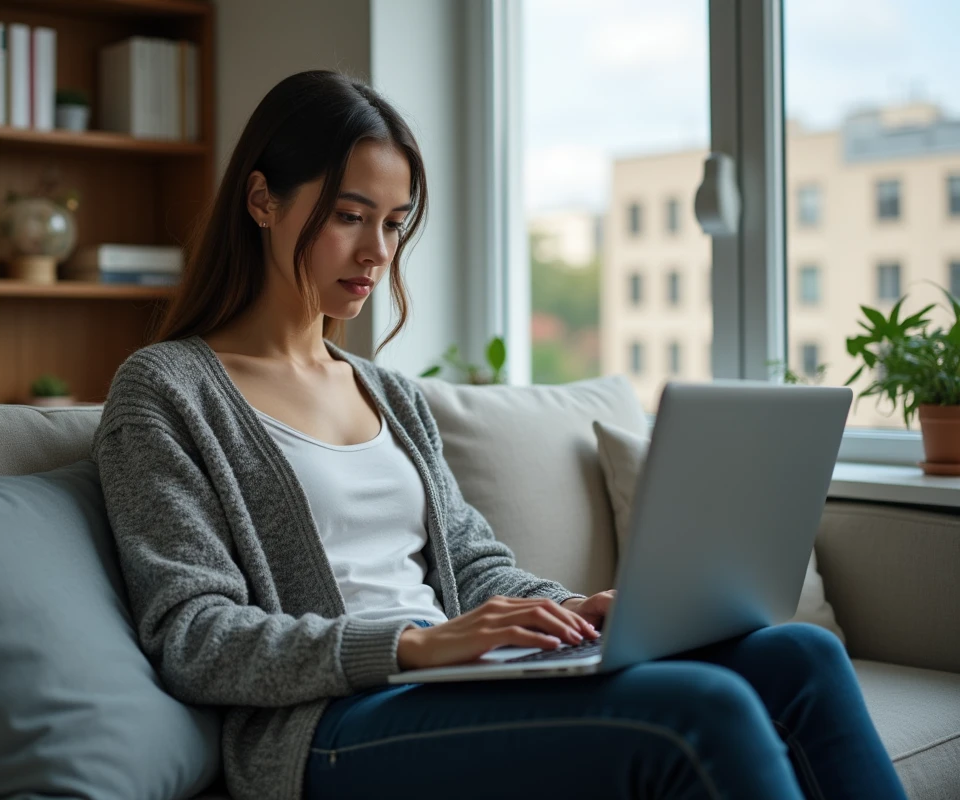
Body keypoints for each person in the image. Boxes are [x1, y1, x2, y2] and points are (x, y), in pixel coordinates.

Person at [92, 70, 906, 800]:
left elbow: (474, 564)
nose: (378, 252)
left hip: (452, 686)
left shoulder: (388, 394)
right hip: (330, 732)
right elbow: (194, 636)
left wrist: (575, 614)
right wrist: (411, 645)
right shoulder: (168, 391)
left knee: (802, 658)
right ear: (262, 199)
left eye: (395, 222)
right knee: (706, 709)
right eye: (349, 216)